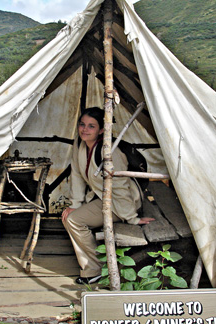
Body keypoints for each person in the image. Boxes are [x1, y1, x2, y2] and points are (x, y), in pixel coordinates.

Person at [62, 107, 155, 285]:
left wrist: (132, 218)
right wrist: (75, 203)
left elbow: (121, 188)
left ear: (102, 130)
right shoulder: (81, 145)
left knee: (74, 220)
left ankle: (95, 268)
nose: (85, 130)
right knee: (69, 216)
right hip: (102, 199)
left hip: (121, 203)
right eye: (82, 125)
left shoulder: (109, 152)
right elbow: (76, 175)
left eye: (91, 126)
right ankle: (94, 265)